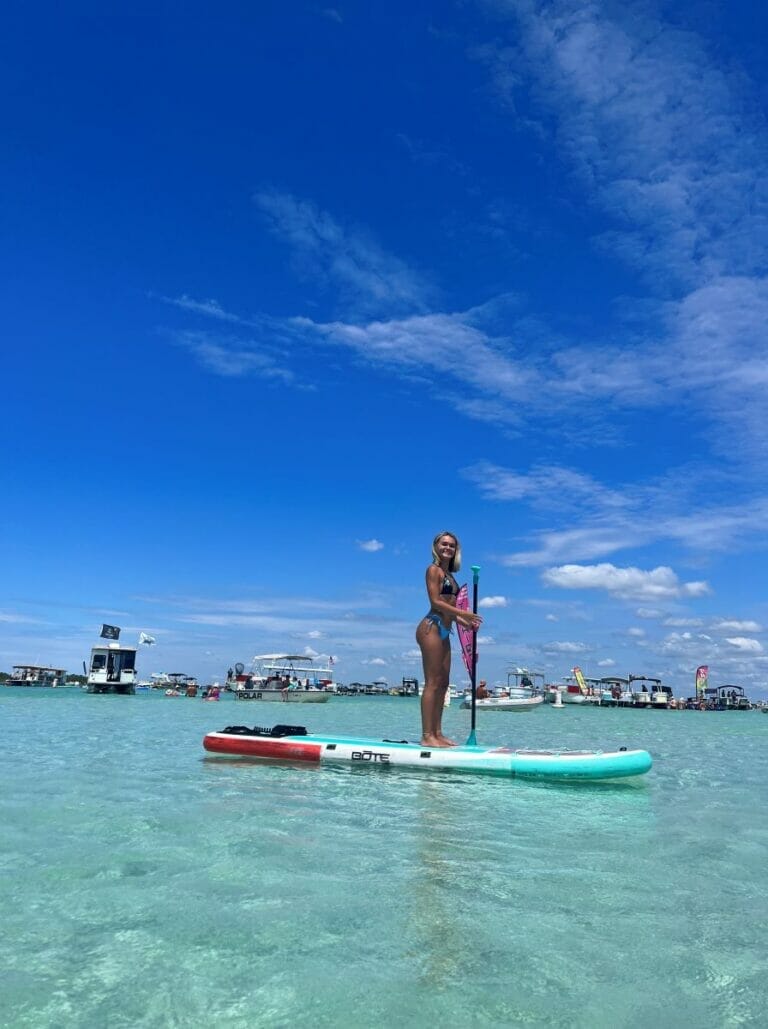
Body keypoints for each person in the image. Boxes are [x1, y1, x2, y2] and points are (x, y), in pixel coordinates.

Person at [416, 531, 482, 747]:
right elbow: (435, 602)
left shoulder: (451, 577)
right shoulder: (433, 570)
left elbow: (452, 613)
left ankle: (437, 733)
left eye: (452, 545)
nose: (448, 548)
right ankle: (427, 736)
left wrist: (467, 623)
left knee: (443, 683)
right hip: (431, 628)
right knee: (433, 683)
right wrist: (464, 614)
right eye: (444, 544)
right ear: (436, 546)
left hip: (445, 629)